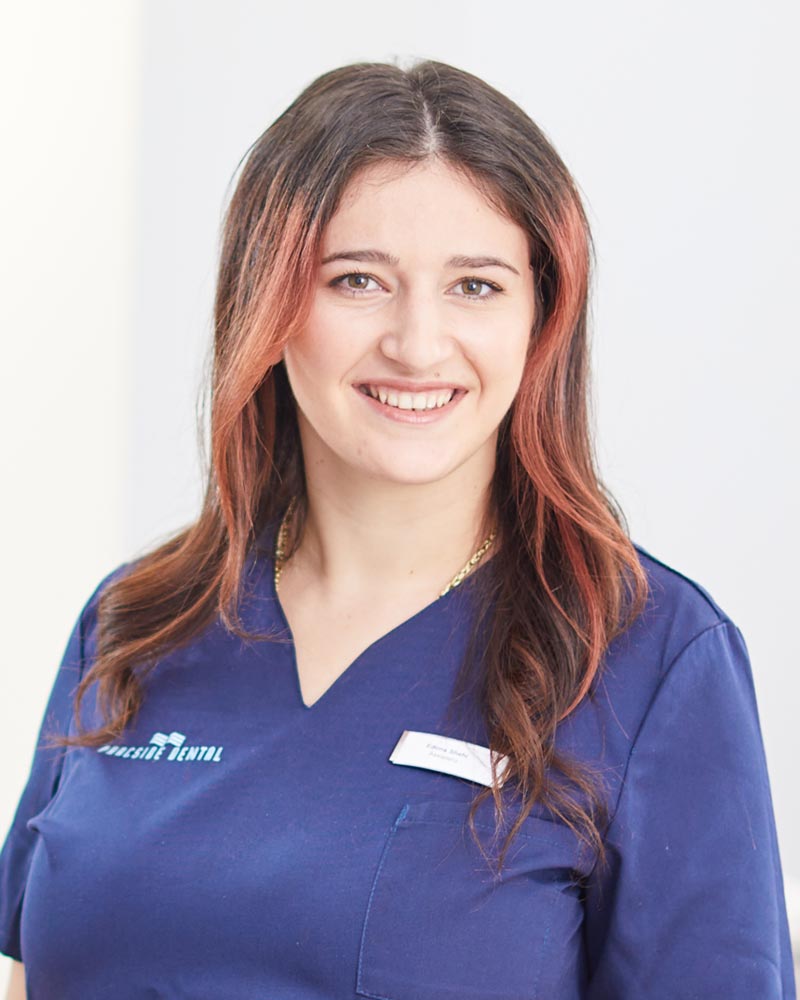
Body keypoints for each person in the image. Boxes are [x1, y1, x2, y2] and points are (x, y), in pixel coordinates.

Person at [0, 58, 795, 1000]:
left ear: (541, 318)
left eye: (476, 287)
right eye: (358, 280)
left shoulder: (649, 655)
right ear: (269, 304)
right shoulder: (138, 621)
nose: (417, 345)